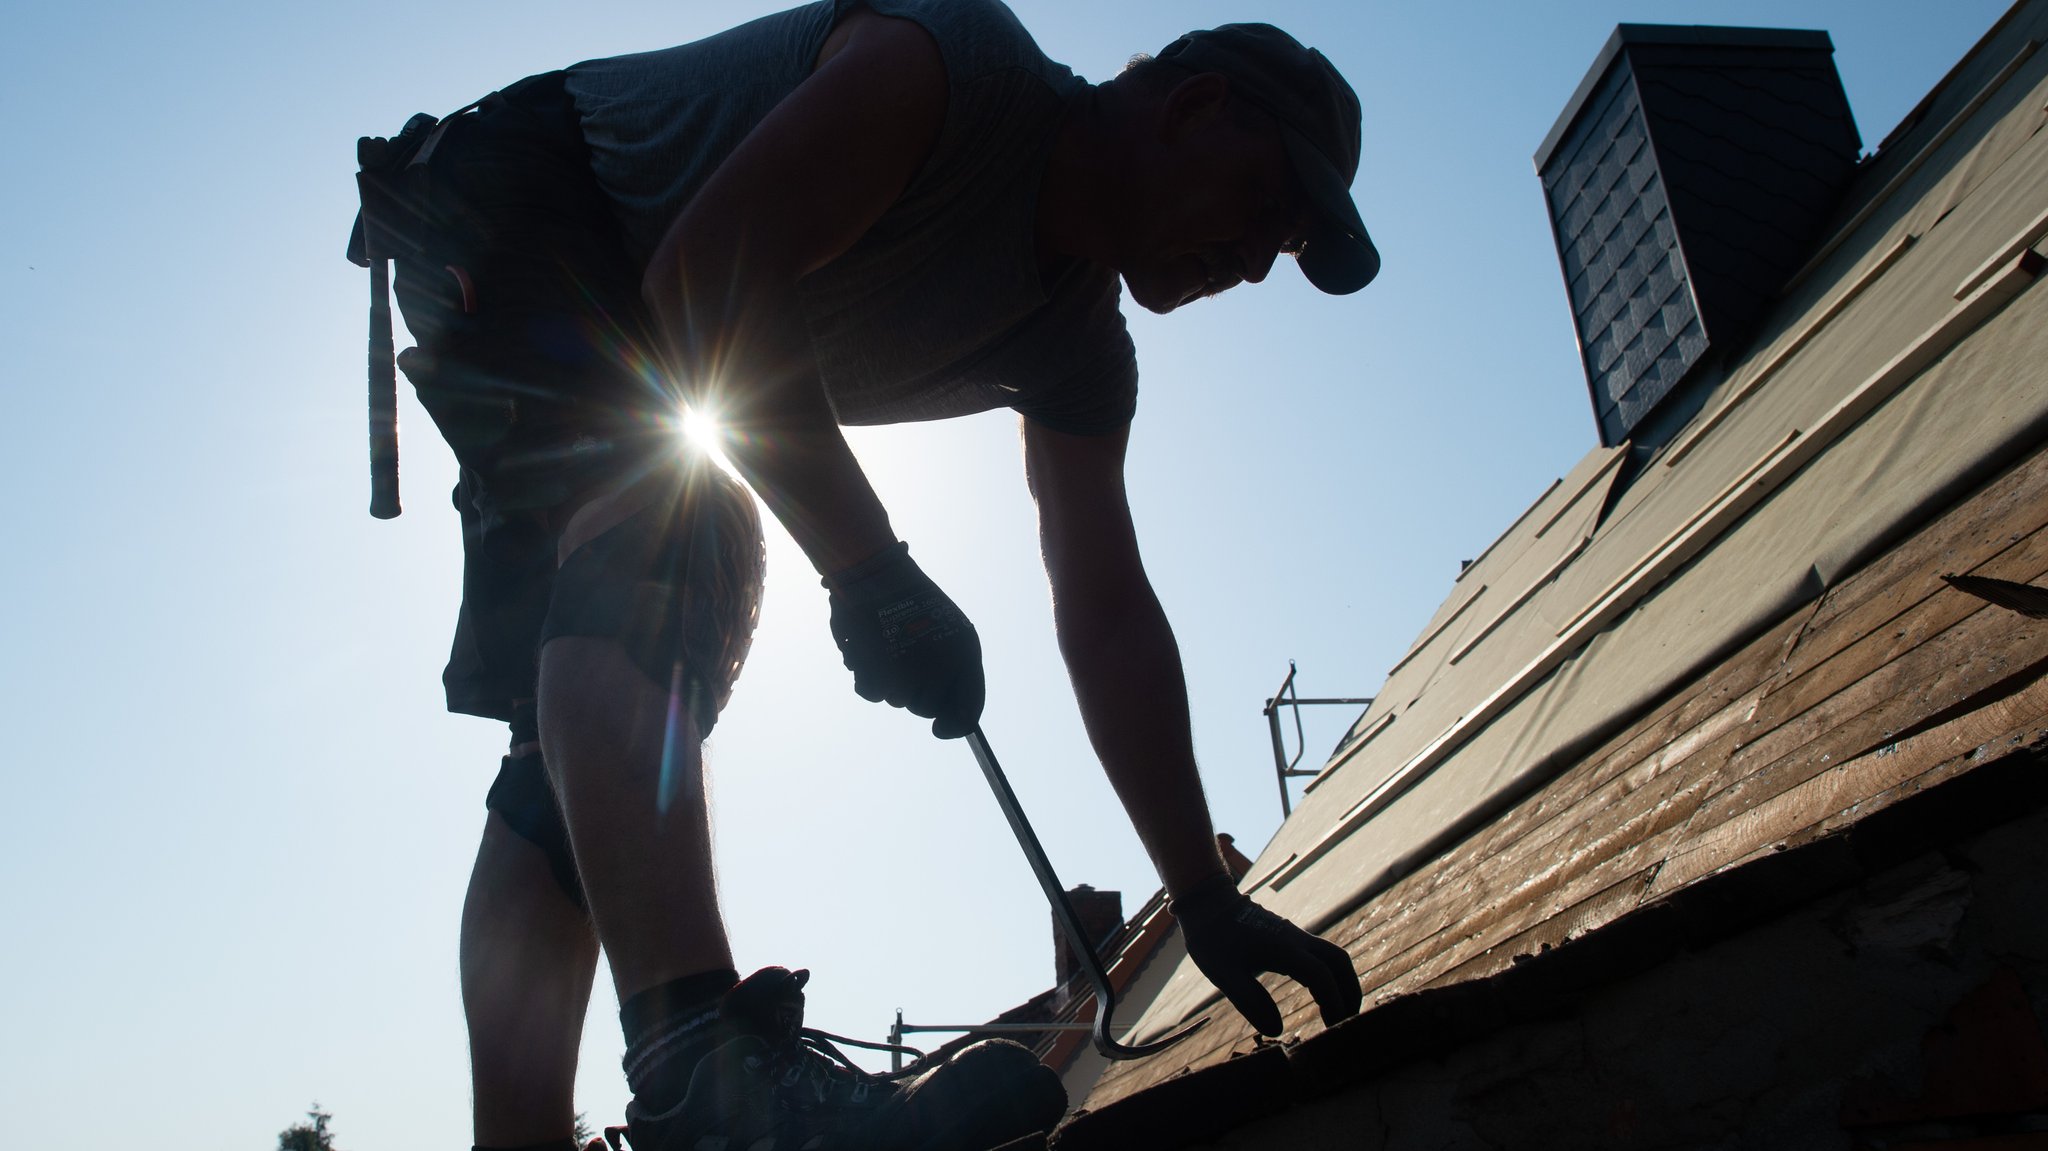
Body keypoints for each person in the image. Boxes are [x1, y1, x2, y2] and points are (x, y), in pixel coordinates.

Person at [357, 2, 1378, 1148]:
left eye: (1279, 254)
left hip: (595, 291)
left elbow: (1105, 608)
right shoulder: (954, 64)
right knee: (681, 531)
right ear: (1192, 107)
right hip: (526, 191)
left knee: (565, 760)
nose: (1250, 264)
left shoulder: (1078, 347)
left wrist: (1202, 896)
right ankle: (712, 1086)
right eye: (1261, 209)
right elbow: (708, 278)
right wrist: (870, 569)